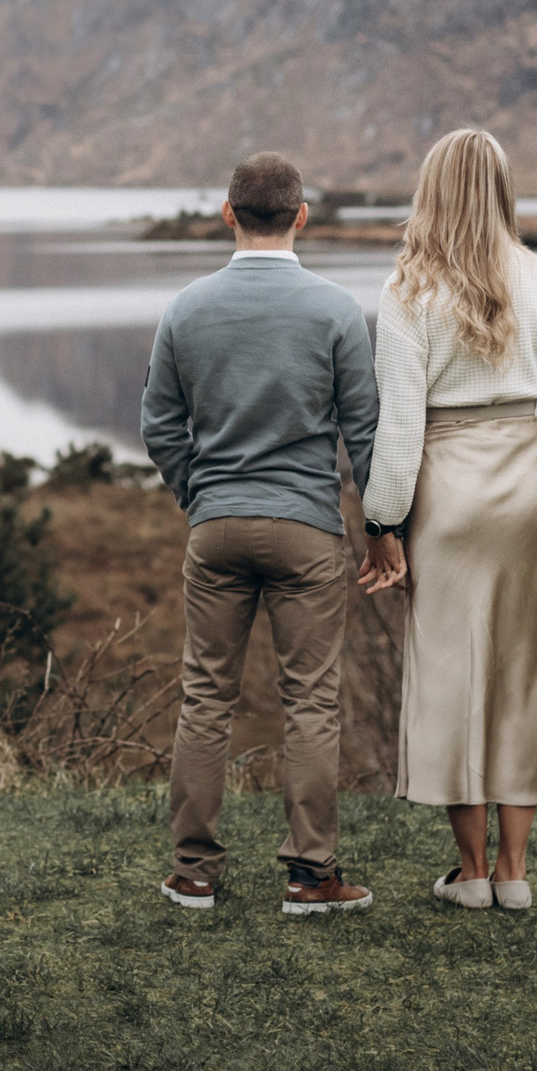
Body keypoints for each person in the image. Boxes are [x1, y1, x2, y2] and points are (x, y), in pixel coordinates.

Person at [142, 152, 383, 917]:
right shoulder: (336, 310)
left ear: (227, 212)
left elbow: (158, 424)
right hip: (309, 530)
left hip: (215, 529)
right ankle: (312, 877)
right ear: (302, 215)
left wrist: (200, 493)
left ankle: (194, 874)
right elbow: (366, 431)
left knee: (204, 697)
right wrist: (385, 527)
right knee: (311, 701)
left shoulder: (186, 308)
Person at [356, 128, 537, 913]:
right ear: (502, 189)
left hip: (447, 493)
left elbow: (401, 429)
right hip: (526, 487)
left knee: (454, 676)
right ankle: (517, 873)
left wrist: (384, 519)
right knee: (522, 677)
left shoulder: (407, 289)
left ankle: (473, 871)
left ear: (432, 192)